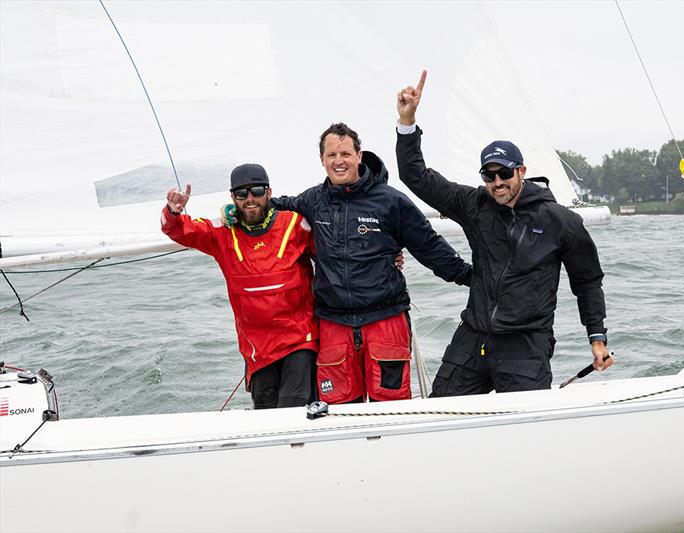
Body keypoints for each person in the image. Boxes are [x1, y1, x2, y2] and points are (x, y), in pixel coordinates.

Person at [395, 71, 613, 396]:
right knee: (438, 415)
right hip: (474, 336)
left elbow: (587, 282)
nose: (497, 183)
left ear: (521, 172)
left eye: (504, 174)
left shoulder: (560, 221)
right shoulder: (474, 205)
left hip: (526, 343)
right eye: (489, 175)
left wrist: (597, 339)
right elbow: (417, 177)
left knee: (526, 431)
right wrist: (407, 123)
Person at [228, 123, 472, 404]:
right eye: (331, 155)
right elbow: (269, 207)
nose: (338, 161)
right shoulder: (312, 201)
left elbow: (430, 247)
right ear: (322, 160)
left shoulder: (391, 201)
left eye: (345, 153)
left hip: (385, 320)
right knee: (340, 412)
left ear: (359, 155)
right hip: (334, 325)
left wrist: (469, 277)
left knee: (391, 409)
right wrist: (231, 211)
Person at [161, 163, 318, 409]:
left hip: (300, 341)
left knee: (292, 415)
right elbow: (178, 229)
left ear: (269, 192)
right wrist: (173, 210)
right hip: (258, 352)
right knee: (266, 419)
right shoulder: (222, 233)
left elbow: (335, 254)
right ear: (233, 198)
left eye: (256, 190)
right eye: (242, 194)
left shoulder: (295, 225)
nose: (250, 199)